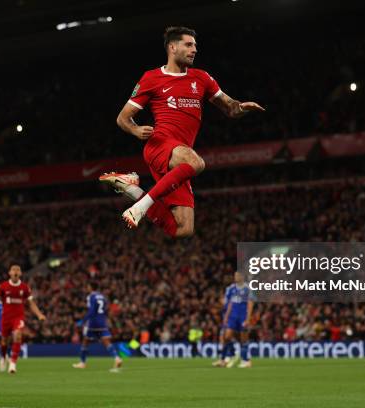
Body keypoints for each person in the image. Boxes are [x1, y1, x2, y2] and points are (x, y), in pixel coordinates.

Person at [101, 26, 264, 238]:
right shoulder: (152, 78)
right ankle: (139, 208)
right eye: (188, 45)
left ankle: (133, 191)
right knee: (197, 163)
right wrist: (135, 129)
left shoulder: (202, 78)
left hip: (180, 160)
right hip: (160, 145)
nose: (194, 49)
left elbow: (230, 107)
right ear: (172, 47)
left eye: (195, 45)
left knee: (182, 229)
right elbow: (123, 118)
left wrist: (241, 107)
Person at [0, 264, 46, 374]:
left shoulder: (25, 288)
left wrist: (39, 314)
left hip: (18, 318)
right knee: (4, 341)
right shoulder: (3, 286)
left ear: (20, 274)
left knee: (18, 336)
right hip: (6, 318)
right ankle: (3, 357)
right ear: (9, 273)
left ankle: (13, 363)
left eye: (18, 270)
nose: (15, 272)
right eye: (13, 270)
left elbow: (31, 303)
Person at [72, 281, 123, 372]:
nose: (87, 288)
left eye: (88, 286)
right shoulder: (103, 297)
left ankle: (82, 363)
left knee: (85, 341)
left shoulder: (91, 296)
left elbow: (91, 311)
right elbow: (105, 310)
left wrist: (83, 321)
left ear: (91, 287)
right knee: (106, 341)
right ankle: (117, 358)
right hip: (102, 322)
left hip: (93, 322)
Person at [220, 272, 255, 368]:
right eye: (235, 275)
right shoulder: (232, 288)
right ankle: (232, 354)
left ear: (242, 277)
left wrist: (248, 319)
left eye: (238, 275)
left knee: (243, 339)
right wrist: (226, 317)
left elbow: (250, 304)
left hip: (243, 316)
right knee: (227, 336)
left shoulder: (247, 289)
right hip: (232, 317)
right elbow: (230, 303)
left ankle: (246, 360)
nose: (236, 277)